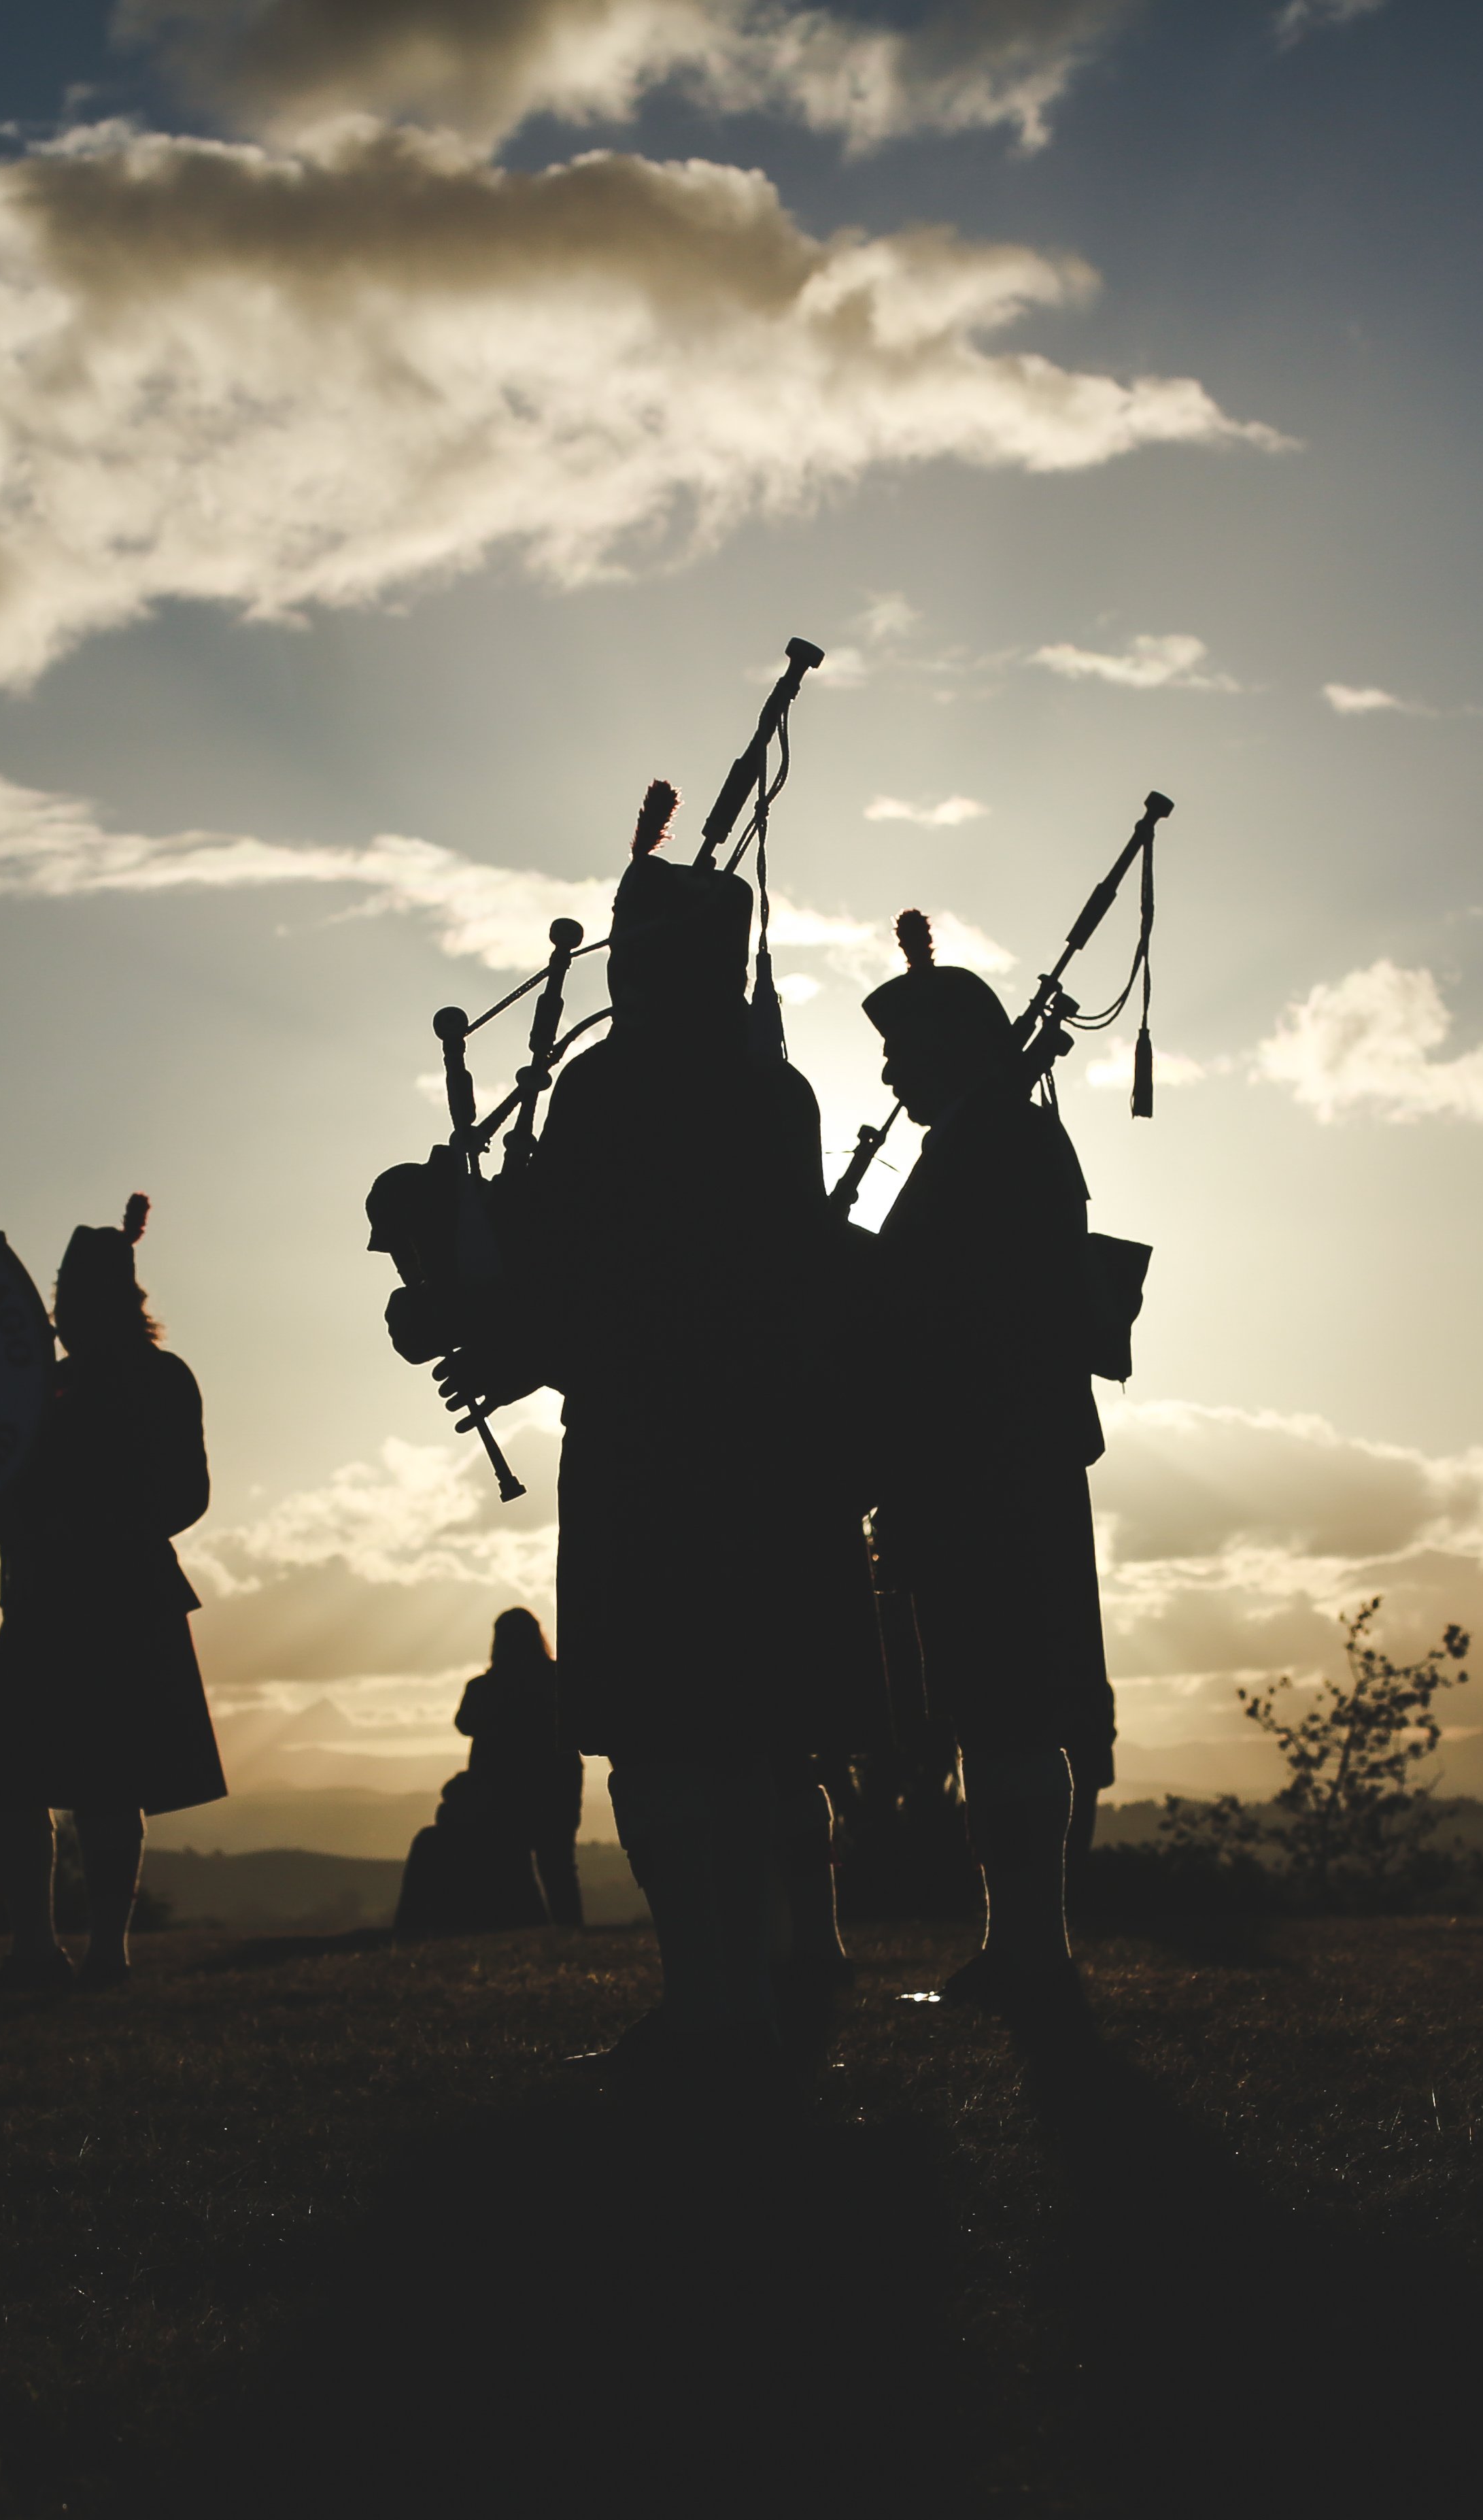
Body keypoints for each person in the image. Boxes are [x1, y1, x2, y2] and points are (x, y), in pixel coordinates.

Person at [433, 809, 885, 2096]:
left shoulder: (609, 1090)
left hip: (646, 1449)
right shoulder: (777, 1095)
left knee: (657, 1739)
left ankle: (708, 2004)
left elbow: (592, 1275)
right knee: (745, 1737)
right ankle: (741, 1999)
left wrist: (499, 1326)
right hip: (775, 1459)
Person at [859, 913, 1114, 2013]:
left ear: (946, 1051)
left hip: (982, 1468)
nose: (884, 1071)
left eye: (899, 1051)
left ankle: (1028, 1954)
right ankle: (1023, 1948)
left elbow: (954, 1311)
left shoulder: (992, 1145)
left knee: (1000, 1709)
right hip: (997, 1463)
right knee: (1000, 1711)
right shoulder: (995, 1137)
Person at [0, 1196, 226, 1991]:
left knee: (105, 1786)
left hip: (117, 1596)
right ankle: (36, 1948)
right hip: (47, 1595)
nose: (61, 1312)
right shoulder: (43, 1389)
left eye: (71, 1299)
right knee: (16, 1785)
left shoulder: (157, 1380)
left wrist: (82, 1523)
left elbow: (185, 1495)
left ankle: (102, 1950)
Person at [394, 1609, 587, 1935]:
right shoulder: (559, 1679)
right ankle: (571, 1933)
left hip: (501, 1789)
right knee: (558, 1864)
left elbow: (464, 1723)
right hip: (557, 1785)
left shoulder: (484, 1687)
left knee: (514, 1864)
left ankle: (530, 1931)